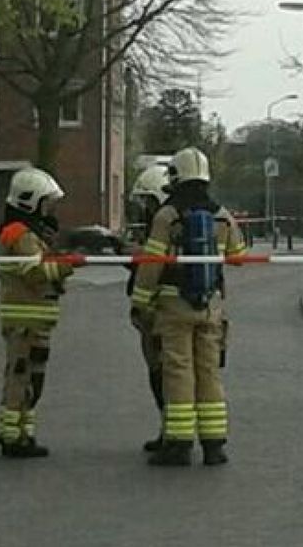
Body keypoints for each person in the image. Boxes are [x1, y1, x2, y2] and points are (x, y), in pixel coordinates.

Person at [130, 148, 247, 467]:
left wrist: (140, 302)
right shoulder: (222, 215)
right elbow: (238, 256)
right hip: (210, 305)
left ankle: (179, 444)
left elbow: (152, 263)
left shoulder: (167, 215)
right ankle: (214, 446)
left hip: (174, 304)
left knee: (178, 371)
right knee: (209, 372)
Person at [0, 167, 77, 458]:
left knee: (33, 380)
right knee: (20, 378)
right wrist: (69, 264)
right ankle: (11, 436)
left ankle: (24, 432)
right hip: (24, 322)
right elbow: (34, 273)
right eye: (46, 203)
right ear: (31, 202)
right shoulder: (21, 235)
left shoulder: (30, 234)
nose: (49, 210)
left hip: (36, 321)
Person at [126, 164, 171, 452]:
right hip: (159, 311)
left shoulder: (164, 225)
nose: (144, 209)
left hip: (159, 311)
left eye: (147, 201)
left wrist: (139, 305)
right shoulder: (167, 224)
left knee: (164, 373)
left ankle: (172, 431)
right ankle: (169, 428)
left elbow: (154, 268)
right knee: (162, 373)